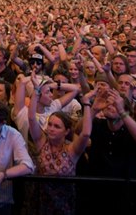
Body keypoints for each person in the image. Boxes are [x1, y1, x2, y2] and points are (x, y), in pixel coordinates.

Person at [27, 85, 94, 215]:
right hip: (40, 201)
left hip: (64, 202)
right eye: (50, 124)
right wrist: (36, 91)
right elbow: (31, 118)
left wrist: (86, 104)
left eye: (57, 126)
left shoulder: (71, 150)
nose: (51, 128)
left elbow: (85, 134)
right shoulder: (41, 142)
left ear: (66, 131)